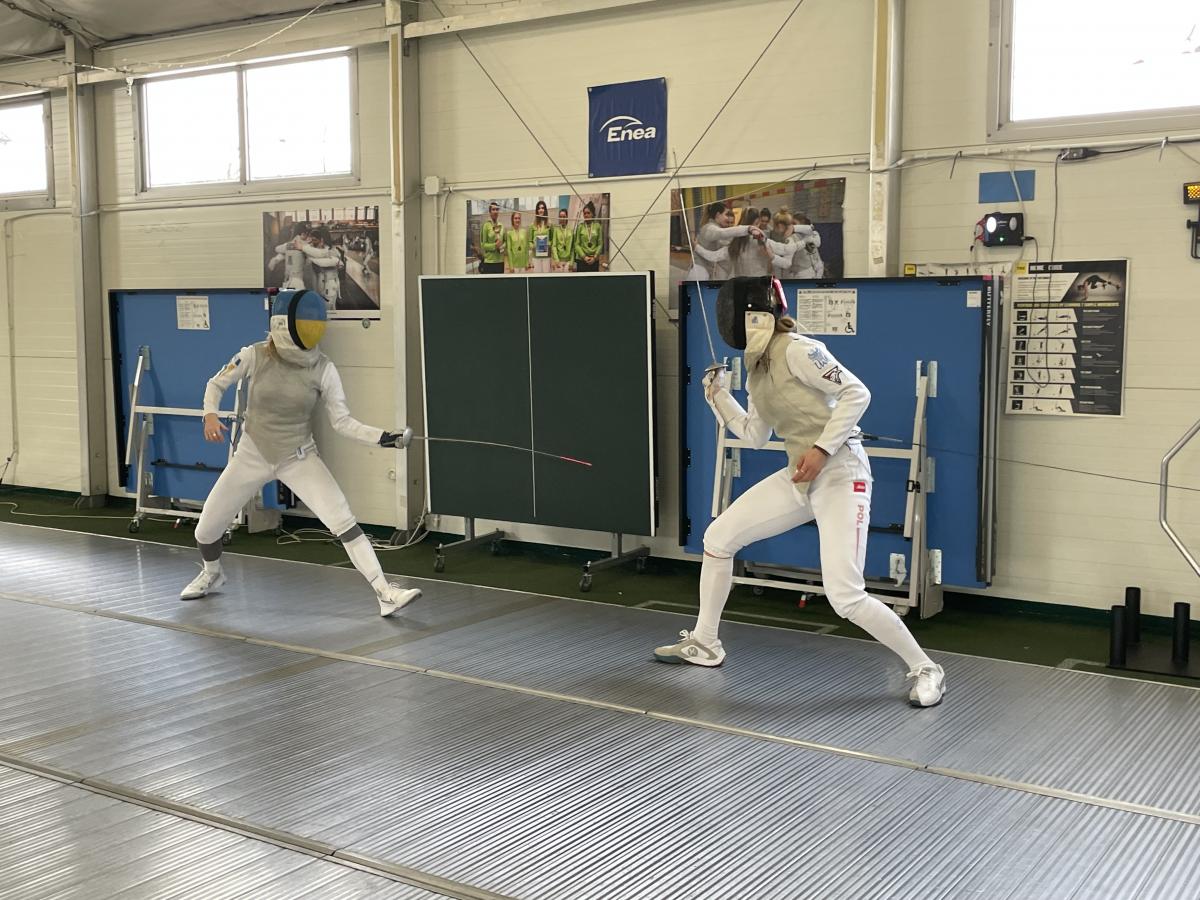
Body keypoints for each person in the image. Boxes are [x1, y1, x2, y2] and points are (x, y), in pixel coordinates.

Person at [653, 276, 946, 708]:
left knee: (845, 595)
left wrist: (822, 449)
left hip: (841, 472)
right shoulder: (757, 368)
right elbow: (754, 436)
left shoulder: (799, 350)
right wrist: (718, 397)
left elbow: (857, 392)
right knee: (718, 539)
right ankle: (706, 642)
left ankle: (926, 668)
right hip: (800, 476)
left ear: (751, 316)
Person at [180, 289, 421, 617]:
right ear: (284, 324)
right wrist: (209, 414)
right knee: (206, 530)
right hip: (252, 454)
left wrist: (383, 438)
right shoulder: (254, 354)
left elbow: (342, 422)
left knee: (343, 520)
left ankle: (385, 593)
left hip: (298, 456)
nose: (314, 329)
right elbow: (216, 383)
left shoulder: (323, 368)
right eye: (307, 323)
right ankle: (213, 573)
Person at [697, 202, 763, 280]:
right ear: (718, 215)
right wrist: (748, 229)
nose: (727, 219)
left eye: (732, 222)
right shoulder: (710, 228)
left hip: (714, 272)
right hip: (701, 271)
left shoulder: (759, 241)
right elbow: (722, 236)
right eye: (725, 215)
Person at [298, 225, 344, 310]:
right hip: (321, 286)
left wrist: (306, 251)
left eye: (315, 240)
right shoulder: (318, 251)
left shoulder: (331, 252)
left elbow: (322, 261)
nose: (313, 243)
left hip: (329, 286)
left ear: (322, 240)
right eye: (312, 240)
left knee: (328, 311)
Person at [573, 201, 604, 272]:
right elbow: (577, 244)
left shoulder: (597, 226)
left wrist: (594, 257)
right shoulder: (580, 226)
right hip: (582, 260)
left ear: (592, 214)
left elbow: (600, 244)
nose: (586, 215)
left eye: (588, 213)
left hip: (594, 260)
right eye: (584, 213)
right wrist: (584, 257)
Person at [478, 202, 505, 274]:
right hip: (489, 262)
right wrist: (495, 246)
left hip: (500, 261)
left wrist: (502, 246)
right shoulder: (486, 226)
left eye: (497, 209)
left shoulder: (501, 225)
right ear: (490, 212)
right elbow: (483, 245)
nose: (495, 211)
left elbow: (505, 242)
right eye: (493, 209)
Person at [530, 200, 553, 274]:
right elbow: (529, 241)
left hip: (547, 255)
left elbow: (552, 239)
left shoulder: (550, 223)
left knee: (547, 276)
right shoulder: (532, 225)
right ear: (537, 210)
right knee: (537, 276)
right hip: (536, 256)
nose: (541, 210)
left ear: (545, 210)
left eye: (542, 208)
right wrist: (533, 246)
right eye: (539, 208)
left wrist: (548, 244)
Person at [551, 208, 575, 272]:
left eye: (564, 216)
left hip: (568, 261)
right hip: (558, 261)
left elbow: (573, 248)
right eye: (560, 217)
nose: (562, 218)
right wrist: (556, 259)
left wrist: (572, 261)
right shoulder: (556, 230)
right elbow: (554, 246)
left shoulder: (571, 230)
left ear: (567, 217)